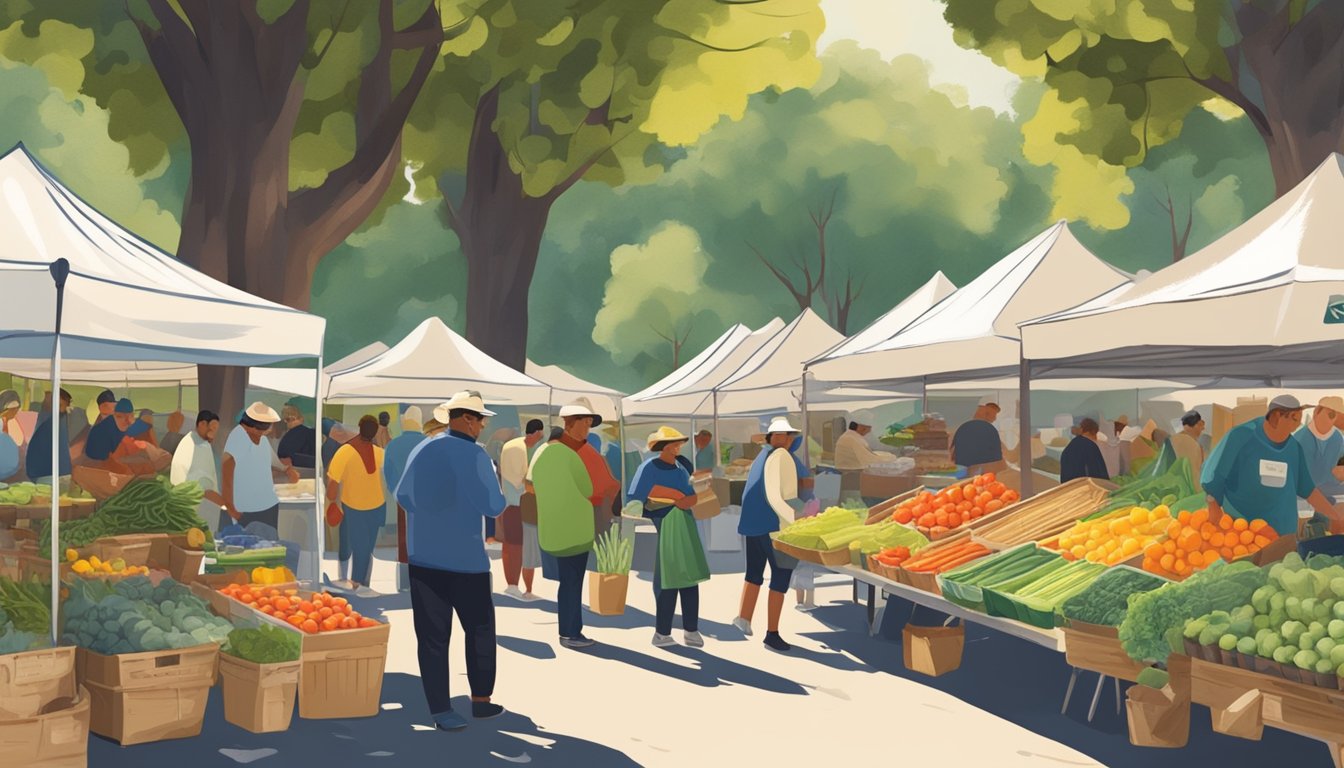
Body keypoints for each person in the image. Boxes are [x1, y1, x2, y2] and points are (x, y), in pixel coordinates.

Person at [395, 391, 506, 731]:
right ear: (467, 419)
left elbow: (402, 496)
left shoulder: (422, 447)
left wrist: (432, 516)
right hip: (466, 560)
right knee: (480, 630)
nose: (482, 426)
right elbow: (494, 506)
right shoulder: (476, 455)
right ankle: (481, 702)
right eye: (481, 420)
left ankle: (440, 710)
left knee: (432, 636)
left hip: (424, 557)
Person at [1202, 395, 1343, 536]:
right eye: (1294, 418)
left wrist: (1334, 515)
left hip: (1283, 533)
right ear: (1276, 417)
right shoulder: (1241, 436)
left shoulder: (1293, 447)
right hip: (1244, 531)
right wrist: (1213, 504)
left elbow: (1307, 489)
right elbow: (1213, 474)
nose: (1298, 424)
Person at [532, 402, 606, 650]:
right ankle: (570, 633)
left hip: (552, 529)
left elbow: (531, 484)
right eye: (584, 423)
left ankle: (569, 631)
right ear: (570, 423)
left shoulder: (541, 452)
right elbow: (588, 489)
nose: (587, 429)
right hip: (574, 531)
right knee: (572, 584)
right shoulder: (570, 456)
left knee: (567, 582)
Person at [629, 427, 706, 648]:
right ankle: (662, 633)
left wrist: (687, 500)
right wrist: (668, 500)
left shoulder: (681, 468)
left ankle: (691, 630)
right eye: (673, 443)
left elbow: (692, 496)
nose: (677, 446)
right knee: (668, 580)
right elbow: (635, 500)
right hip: (663, 526)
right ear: (662, 446)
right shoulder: (648, 468)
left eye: (678, 442)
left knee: (690, 578)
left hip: (685, 524)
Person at [734, 416, 803, 653]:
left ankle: (743, 619)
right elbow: (776, 497)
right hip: (774, 526)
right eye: (781, 435)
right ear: (773, 438)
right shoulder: (782, 456)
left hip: (753, 524)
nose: (786, 439)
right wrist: (795, 521)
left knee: (754, 573)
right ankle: (772, 634)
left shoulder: (760, 457)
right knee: (781, 576)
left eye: (787, 435)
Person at [327, 415, 386, 597]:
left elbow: (332, 485)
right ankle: (361, 584)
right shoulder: (380, 453)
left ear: (360, 428)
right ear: (375, 432)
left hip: (354, 506)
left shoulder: (345, 452)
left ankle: (356, 584)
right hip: (377, 505)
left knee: (354, 546)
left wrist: (331, 502)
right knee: (366, 548)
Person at [221, 402, 297, 532]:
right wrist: (231, 508)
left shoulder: (262, 440)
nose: (269, 431)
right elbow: (227, 475)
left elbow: (274, 461)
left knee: (269, 544)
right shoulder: (237, 438)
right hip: (247, 508)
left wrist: (287, 470)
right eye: (267, 427)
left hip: (267, 505)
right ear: (253, 426)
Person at [499, 419, 545, 600]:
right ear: (536, 433)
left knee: (515, 546)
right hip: (516, 505)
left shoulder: (518, 446)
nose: (539, 440)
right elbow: (520, 481)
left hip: (515, 504)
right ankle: (513, 586)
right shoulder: (517, 448)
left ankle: (517, 586)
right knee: (515, 546)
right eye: (539, 436)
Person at [384, 407, 426, 573]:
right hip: (424, 496)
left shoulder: (393, 444)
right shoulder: (428, 443)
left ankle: (404, 570)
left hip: (402, 495)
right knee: (424, 533)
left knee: (404, 532)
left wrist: (395, 491)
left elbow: (388, 472)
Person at [170, 411, 226, 520]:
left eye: (216, 429)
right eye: (212, 428)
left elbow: (211, 478)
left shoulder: (204, 444)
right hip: (191, 501)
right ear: (202, 424)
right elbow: (191, 483)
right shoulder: (189, 444)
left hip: (205, 500)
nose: (214, 433)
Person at [1294, 396, 1344, 501]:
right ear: (1316, 412)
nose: (1332, 419)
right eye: (1330, 414)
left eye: (1336, 416)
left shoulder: (1337, 437)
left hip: (1333, 491)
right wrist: (1335, 476)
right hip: (1305, 496)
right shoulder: (1301, 439)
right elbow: (1308, 478)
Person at [26, 389, 73, 485]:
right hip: (48, 475)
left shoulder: (48, 420)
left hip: (40, 474)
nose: (67, 409)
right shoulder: (54, 422)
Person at [82, 398, 141, 474]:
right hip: (98, 464)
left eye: (131, 416)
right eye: (121, 416)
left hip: (111, 460)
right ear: (115, 415)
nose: (128, 421)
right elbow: (106, 459)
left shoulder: (126, 426)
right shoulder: (102, 431)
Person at [951, 396, 1005, 474]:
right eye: (994, 415)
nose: (995, 419)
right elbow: (1001, 464)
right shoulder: (986, 431)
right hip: (975, 475)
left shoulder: (963, 428)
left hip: (966, 473)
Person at [1169, 410, 1206, 487]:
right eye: (1200, 425)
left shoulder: (1172, 439)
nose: (1203, 429)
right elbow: (1195, 472)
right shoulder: (1193, 444)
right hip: (1186, 487)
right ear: (1196, 425)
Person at [276, 405, 317, 471]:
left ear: (286, 419)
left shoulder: (291, 435)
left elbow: (284, 458)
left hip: (294, 473)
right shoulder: (313, 433)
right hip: (313, 472)